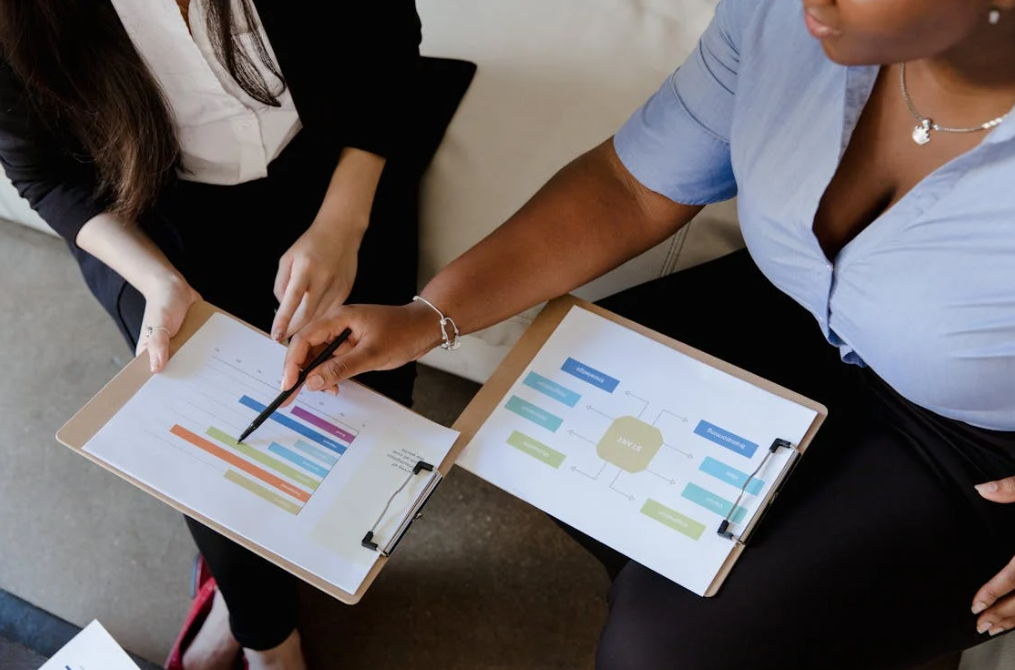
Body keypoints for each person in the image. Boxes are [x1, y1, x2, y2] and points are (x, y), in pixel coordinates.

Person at [282, 0, 1015, 667]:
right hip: (790, 303)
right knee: (548, 417)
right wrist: (426, 318)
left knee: (659, 648)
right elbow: (629, 187)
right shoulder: (779, 16)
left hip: (973, 440)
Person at [0, 1, 471, 669]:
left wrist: (345, 219)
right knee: (210, 449)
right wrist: (159, 283)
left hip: (332, 159)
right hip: (148, 207)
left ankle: (285, 571)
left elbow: (390, 38)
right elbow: (46, 173)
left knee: (367, 403)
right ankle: (262, 629)